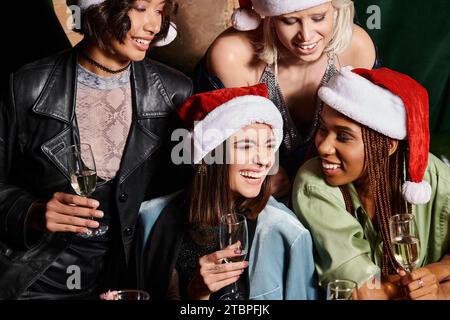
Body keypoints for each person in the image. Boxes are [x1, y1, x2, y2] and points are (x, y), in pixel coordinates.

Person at [0, 0, 192, 299]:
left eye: (160, 9)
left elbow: (182, 195)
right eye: (141, 7)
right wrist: (32, 213)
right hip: (39, 276)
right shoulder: (27, 86)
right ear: (100, 7)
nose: (154, 25)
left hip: (128, 276)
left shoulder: (174, 92)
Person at [135, 84, 318, 300]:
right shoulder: (150, 219)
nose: (263, 160)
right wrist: (197, 295)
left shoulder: (288, 233)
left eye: (269, 146)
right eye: (246, 146)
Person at [292, 67, 450, 299]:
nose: (323, 147)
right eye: (322, 129)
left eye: (344, 137)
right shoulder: (313, 185)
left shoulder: (432, 176)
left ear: (388, 146)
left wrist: (436, 278)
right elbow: (362, 292)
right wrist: (427, 284)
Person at [195, 0, 378, 197]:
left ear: (336, 9)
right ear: (270, 16)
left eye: (318, 18)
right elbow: (205, 148)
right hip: (252, 195)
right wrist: (261, 172)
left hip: (332, 185)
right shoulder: (232, 55)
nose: (306, 35)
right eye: (289, 21)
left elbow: (369, 140)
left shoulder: (357, 49)